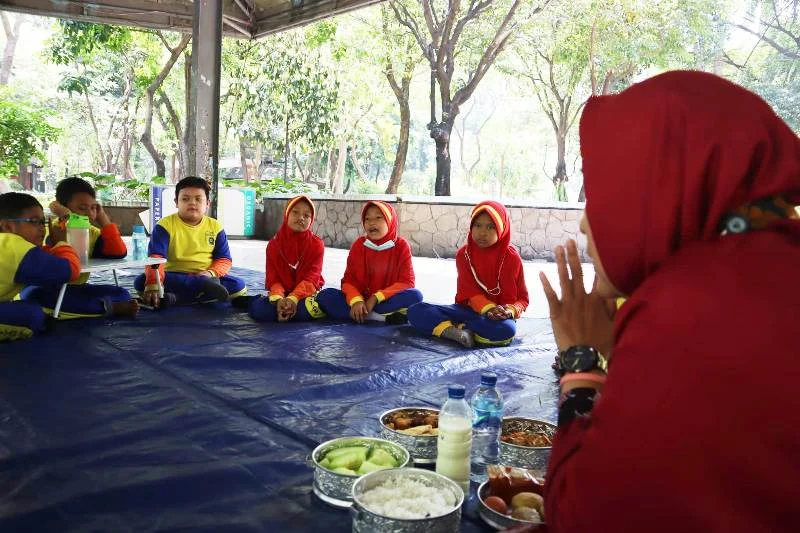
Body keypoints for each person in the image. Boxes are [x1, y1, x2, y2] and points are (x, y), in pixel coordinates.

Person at [538, 71, 800, 532]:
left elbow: (582, 514)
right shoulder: (775, 263)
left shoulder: (686, 310)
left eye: (600, 196)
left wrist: (582, 364)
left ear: (649, 189)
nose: (584, 225)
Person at [407, 200, 528, 347]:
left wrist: (509, 311)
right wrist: (488, 308)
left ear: (502, 229)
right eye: (477, 225)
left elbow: (523, 299)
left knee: (506, 330)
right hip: (467, 310)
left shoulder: (511, 258)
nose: (482, 232)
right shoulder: (464, 254)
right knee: (415, 310)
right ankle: (456, 332)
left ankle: (454, 327)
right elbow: (468, 292)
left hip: (498, 318)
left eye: (490, 227)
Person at [20, 176, 138, 319]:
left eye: (93, 208)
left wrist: (103, 219)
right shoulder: (51, 229)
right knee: (35, 296)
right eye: (82, 208)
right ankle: (106, 308)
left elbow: (119, 252)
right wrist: (67, 217)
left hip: (76, 289)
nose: (89, 213)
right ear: (62, 208)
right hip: (45, 287)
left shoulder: (93, 232)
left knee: (122, 294)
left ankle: (89, 308)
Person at [134, 176, 246, 307]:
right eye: (185, 199)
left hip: (207, 276)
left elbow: (224, 259)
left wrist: (210, 273)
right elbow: (155, 259)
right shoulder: (164, 226)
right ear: (176, 202)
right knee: (142, 282)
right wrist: (153, 284)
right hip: (173, 276)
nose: (192, 203)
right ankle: (201, 290)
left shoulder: (216, 227)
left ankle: (175, 299)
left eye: (198, 199)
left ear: (208, 203)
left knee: (239, 286)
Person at [316, 200, 422, 323]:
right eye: (367, 219)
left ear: (390, 221)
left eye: (378, 217)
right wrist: (356, 300)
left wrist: (376, 297)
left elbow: (406, 282)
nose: (372, 222)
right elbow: (348, 281)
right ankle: (380, 317)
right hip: (358, 300)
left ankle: (362, 314)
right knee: (325, 296)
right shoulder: (358, 245)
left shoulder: (401, 246)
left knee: (415, 295)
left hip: (384, 300)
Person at [0, 193, 80, 340]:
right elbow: (70, 269)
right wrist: (62, 243)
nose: (42, 229)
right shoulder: (14, 247)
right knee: (33, 315)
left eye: (43, 222)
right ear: (7, 226)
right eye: (34, 221)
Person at [240, 195, 326, 322]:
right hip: (280, 294)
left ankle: (286, 309)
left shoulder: (317, 245)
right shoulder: (274, 245)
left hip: (304, 295)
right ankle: (254, 301)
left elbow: (312, 278)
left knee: (306, 311)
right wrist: (280, 301)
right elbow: (273, 278)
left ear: (311, 220)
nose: (301, 218)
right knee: (262, 311)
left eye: (307, 215)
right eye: (295, 212)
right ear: (287, 214)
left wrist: (293, 299)